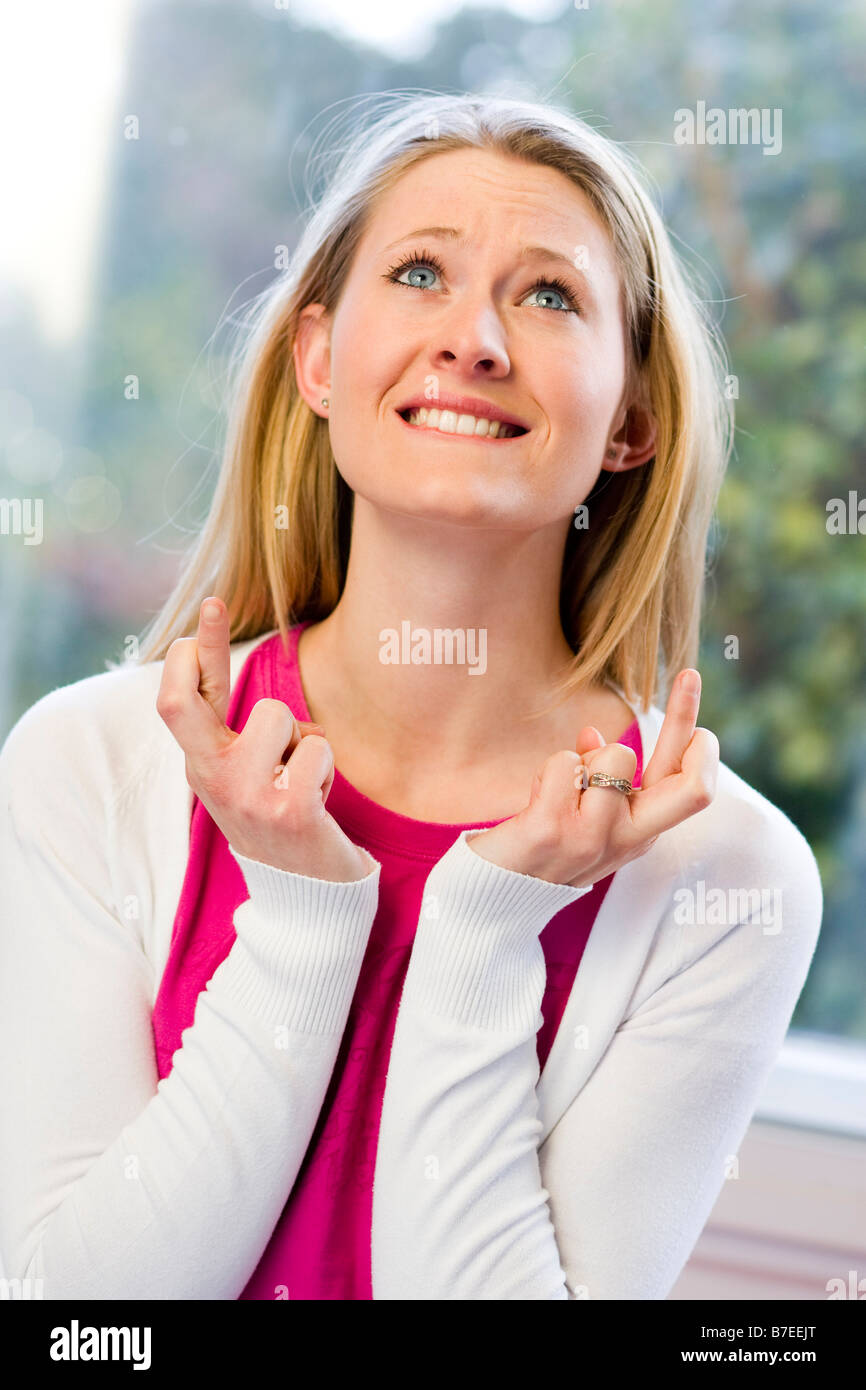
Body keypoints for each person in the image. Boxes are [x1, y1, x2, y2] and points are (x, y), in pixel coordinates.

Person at [0, 92, 822, 1301]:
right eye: (421, 272)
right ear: (321, 361)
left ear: (631, 421)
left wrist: (487, 927)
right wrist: (295, 916)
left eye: (548, 295)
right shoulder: (87, 761)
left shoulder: (722, 873)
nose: (473, 341)